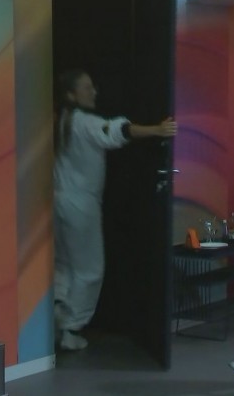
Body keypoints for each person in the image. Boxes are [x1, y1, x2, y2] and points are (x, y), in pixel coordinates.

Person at [53, 69, 177, 350]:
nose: (94, 92)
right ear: (71, 94)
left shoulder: (60, 121)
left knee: (63, 264)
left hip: (58, 200)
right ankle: (70, 328)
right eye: (87, 87)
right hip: (80, 204)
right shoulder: (83, 122)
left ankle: (58, 313)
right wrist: (157, 130)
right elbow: (116, 132)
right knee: (89, 269)